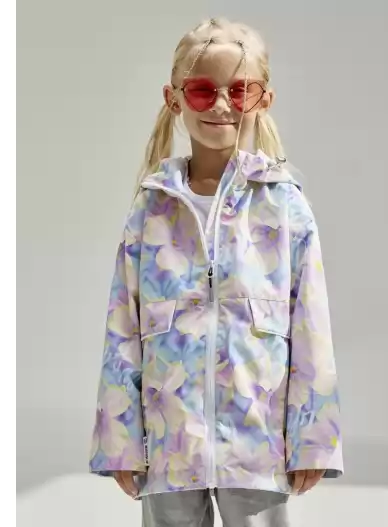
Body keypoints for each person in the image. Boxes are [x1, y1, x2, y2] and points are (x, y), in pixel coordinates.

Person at [89, 17, 343, 527]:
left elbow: (311, 324)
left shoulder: (284, 206)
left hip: (257, 441)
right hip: (170, 443)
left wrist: (314, 437)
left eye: (240, 90)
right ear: (174, 98)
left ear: (263, 99)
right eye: (203, 91)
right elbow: (122, 327)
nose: (222, 105)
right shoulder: (151, 208)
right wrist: (119, 438)